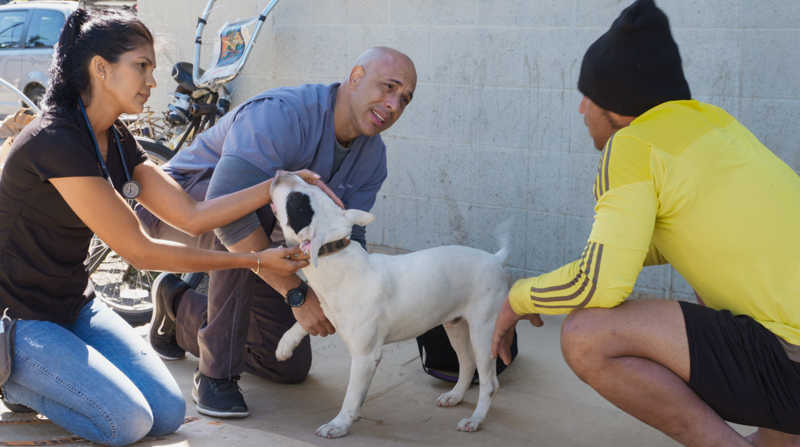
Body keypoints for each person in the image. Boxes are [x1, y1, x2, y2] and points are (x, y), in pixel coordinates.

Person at [0, 9, 323, 446]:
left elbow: (191, 214)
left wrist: (277, 185)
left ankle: (40, 378)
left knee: (167, 413)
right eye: (142, 67)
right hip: (16, 318)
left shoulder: (114, 137)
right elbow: (142, 251)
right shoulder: (57, 140)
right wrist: (254, 259)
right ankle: (13, 381)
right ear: (101, 68)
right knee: (126, 423)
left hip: (71, 307)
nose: (153, 81)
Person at [491, 1, 800, 446]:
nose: (582, 110)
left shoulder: (631, 146)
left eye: (589, 96)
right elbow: (694, 238)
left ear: (616, 106)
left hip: (791, 363)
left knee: (586, 335)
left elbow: (599, 285)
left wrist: (517, 300)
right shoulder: (712, 121)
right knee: (724, 296)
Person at [140, 47, 417, 418]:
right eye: (388, 87)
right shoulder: (284, 114)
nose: (394, 104)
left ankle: (176, 306)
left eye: (404, 99)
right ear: (355, 77)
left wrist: (356, 300)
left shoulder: (373, 158)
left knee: (285, 364)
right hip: (178, 213)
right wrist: (296, 295)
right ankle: (215, 374)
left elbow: (348, 242)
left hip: (260, 244)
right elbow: (226, 213)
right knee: (257, 204)